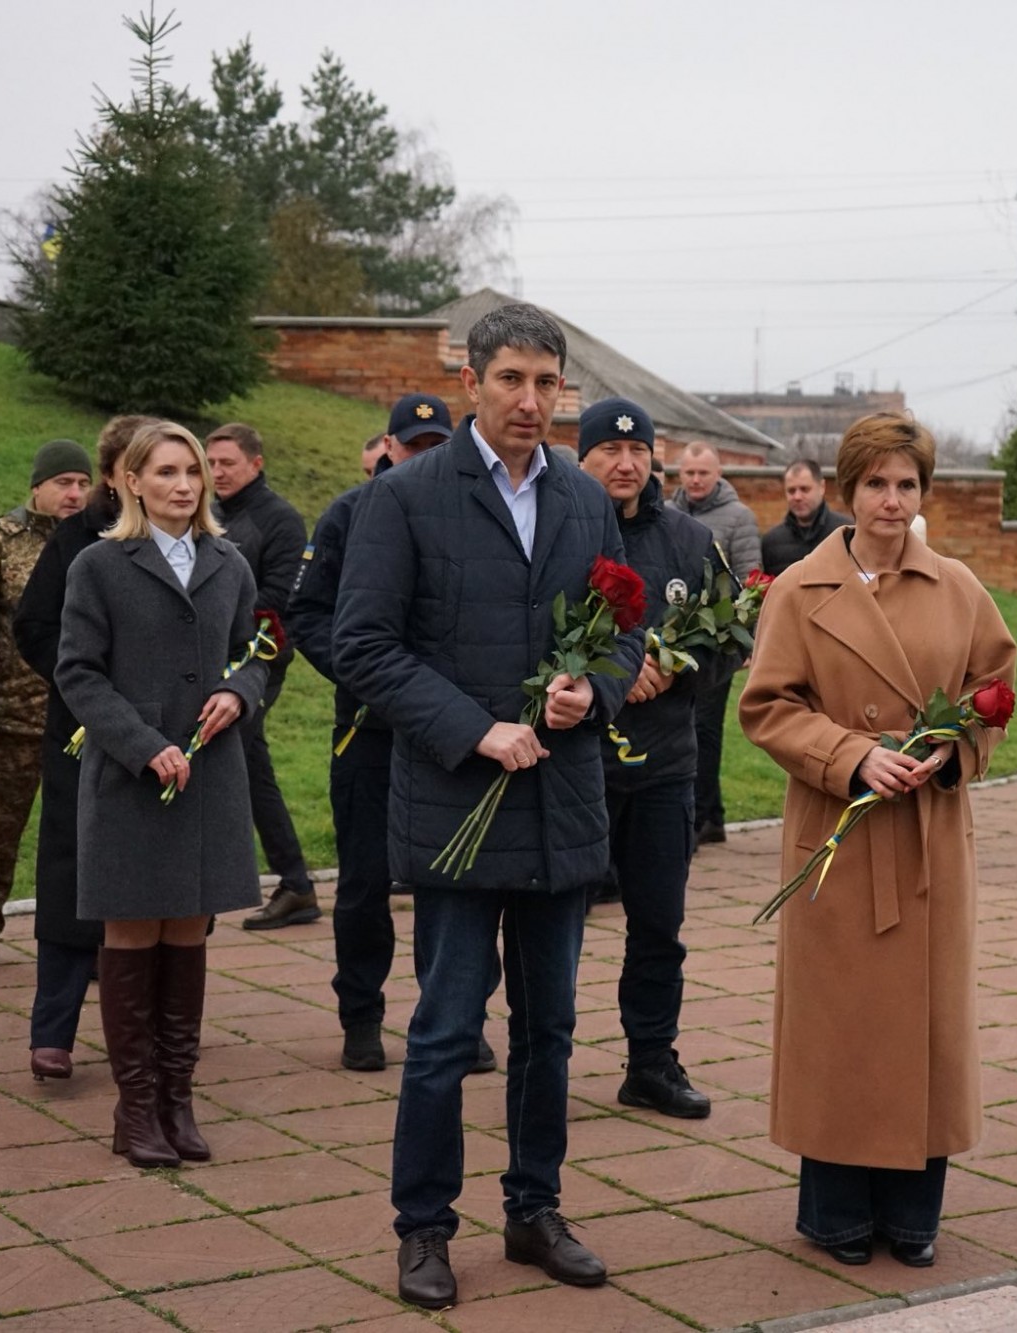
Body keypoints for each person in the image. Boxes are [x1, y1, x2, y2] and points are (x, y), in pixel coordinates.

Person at [334, 303, 645, 1309]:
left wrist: (587, 691)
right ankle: (422, 1227)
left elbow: (619, 632)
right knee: (442, 1032)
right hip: (455, 802)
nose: (528, 400)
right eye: (510, 379)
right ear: (471, 381)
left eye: (546, 383)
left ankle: (533, 1207)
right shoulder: (407, 497)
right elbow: (365, 648)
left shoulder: (586, 502)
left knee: (549, 1029)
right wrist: (477, 728)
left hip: (559, 805)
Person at [738, 412, 1016, 1271]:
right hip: (839, 840)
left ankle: (914, 1211)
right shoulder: (799, 589)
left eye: (907, 485)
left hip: (928, 840)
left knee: (927, 1029)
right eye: (876, 485)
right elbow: (768, 706)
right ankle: (835, 1213)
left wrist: (953, 750)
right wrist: (852, 755)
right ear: (846, 491)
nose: (892, 501)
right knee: (843, 1027)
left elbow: (993, 689)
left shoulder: (960, 588)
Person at [56, 421, 269, 1169]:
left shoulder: (230, 562)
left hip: (209, 775)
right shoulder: (99, 565)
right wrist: (145, 745)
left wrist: (241, 693)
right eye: (167, 471)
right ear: (131, 481)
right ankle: (135, 1105)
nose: (184, 484)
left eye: (193, 472)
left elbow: (255, 654)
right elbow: (78, 673)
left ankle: (178, 1100)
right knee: (133, 935)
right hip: (130, 778)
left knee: (187, 934)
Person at [286, 393, 494, 1077]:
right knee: (366, 883)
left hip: (454, 731)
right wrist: (364, 675)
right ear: (387, 446)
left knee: (458, 880)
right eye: (414, 446)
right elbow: (310, 613)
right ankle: (362, 1015)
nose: (425, 456)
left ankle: (460, 1014)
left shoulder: (471, 510)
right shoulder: (350, 512)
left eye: (439, 445)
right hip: (371, 731)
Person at [581, 398, 716, 1119]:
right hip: (576, 767)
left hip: (663, 765)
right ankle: (543, 1057)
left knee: (659, 923)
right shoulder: (559, 532)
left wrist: (676, 664)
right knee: (553, 925)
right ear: (584, 458)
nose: (626, 463)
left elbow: (728, 639)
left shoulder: (689, 541)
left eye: (638, 451)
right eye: (609, 450)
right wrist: (611, 671)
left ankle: (652, 1060)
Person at [14, 415, 155, 1080]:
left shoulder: (180, 540)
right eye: (133, 465)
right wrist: (88, 682)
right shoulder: (74, 541)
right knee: (72, 873)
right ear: (110, 475)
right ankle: (55, 1031)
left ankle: (150, 1024)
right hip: (83, 734)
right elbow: (34, 626)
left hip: (163, 737)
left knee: (156, 881)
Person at [0, 440, 92, 973]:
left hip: (78, 722)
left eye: (82, 482)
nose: (74, 493)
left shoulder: (100, 539)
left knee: (80, 839)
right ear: (36, 487)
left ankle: (85, 937)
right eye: (63, 483)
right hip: (9, 719)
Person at [204, 422, 315, 930]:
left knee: (239, 761)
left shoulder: (282, 521)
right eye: (211, 462)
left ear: (256, 463)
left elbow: (279, 598)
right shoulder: (210, 515)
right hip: (212, 659)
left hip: (258, 661)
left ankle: (291, 884)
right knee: (246, 766)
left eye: (227, 462)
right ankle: (293, 885)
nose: (216, 471)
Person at [669, 440, 761, 846]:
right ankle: (707, 815)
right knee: (680, 725)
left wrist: (745, 640)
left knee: (705, 728)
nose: (695, 480)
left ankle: (702, 817)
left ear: (717, 474)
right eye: (688, 473)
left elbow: (750, 579)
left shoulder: (739, 517)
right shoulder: (667, 513)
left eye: (703, 473)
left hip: (717, 639)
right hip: (672, 639)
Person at [759, 457, 850, 576]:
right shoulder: (770, 543)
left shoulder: (846, 532)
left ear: (822, 487)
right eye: (791, 491)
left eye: (804, 489)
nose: (797, 497)